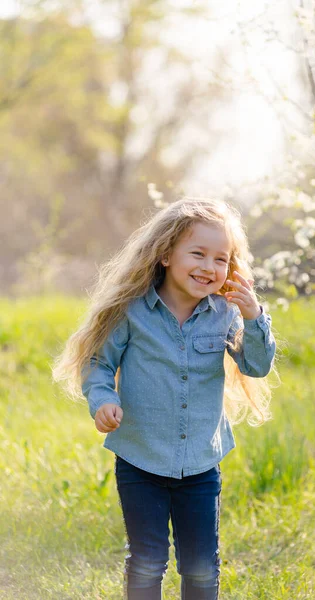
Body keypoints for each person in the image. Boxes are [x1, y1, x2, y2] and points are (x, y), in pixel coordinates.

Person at [52, 197, 276, 600]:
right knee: (147, 561)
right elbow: (99, 363)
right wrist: (102, 400)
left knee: (202, 569)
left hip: (201, 464)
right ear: (166, 255)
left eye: (221, 259)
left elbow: (256, 366)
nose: (210, 267)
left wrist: (254, 317)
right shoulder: (133, 312)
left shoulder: (225, 314)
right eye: (198, 254)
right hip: (140, 458)